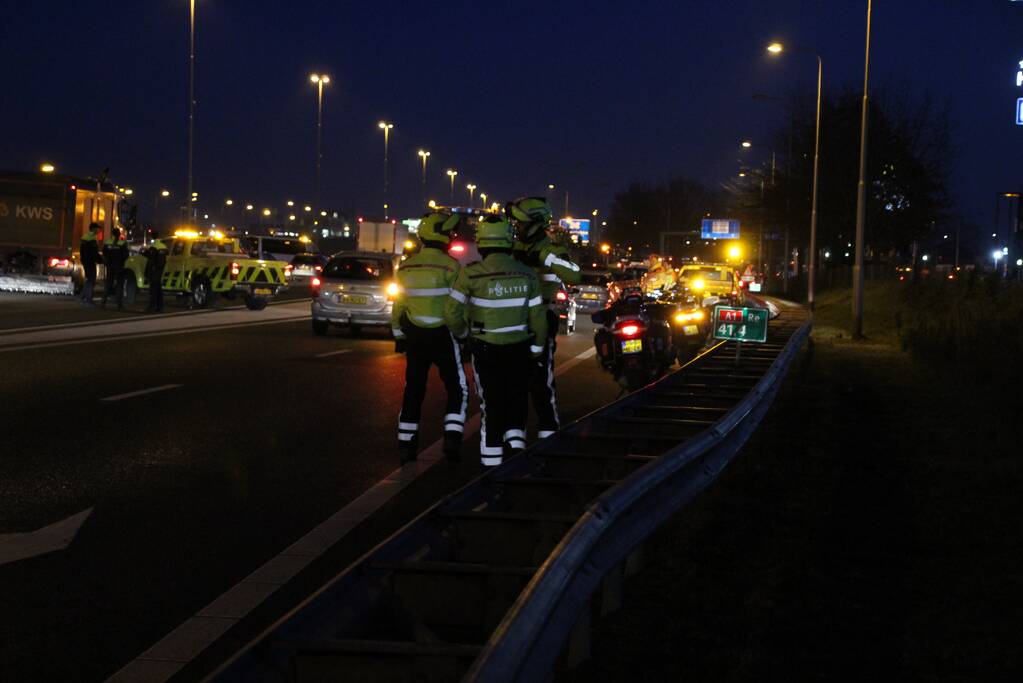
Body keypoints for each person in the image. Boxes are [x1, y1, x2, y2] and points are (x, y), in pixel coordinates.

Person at [445, 215, 547, 467]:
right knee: (516, 401)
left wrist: (463, 335)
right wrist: (535, 349)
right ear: (509, 240)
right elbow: (539, 320)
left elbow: (451, 313)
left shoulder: (471, 275)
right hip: (519, 349)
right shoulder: (527, 275)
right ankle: (515, 459)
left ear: (481, 242)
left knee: (492, 405)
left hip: (485, 349)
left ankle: (491, 469)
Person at [391, 212, 466, 464]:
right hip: (444, 334)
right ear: (441, 235)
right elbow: (456, 308)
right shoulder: (452, 267)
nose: (451, 236)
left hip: (415, 335)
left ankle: (406, 444)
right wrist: (462, 334)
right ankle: (452, 439)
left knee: (413, 388)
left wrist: (399, 333)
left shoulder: (407, 266)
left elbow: (399, 304)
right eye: (449, 232)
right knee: (457, 388)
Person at [507, 197, 582, 439]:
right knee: (513, 385)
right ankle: (514, 442)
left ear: (535, 223)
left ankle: (548, 441)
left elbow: (575, 275)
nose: (515, 226)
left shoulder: (552, 250)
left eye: (519, 222)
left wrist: (543, 256)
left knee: (540, 385)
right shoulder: (514, 248)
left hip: (541, 320)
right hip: (514, 320)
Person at [101, 228, 128, 309]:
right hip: (119, 266)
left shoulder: (107, 242)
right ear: (119, 234)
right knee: (119, 284)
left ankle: (103, 302)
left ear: (112, 234)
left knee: (109, 283)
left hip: (109, 266)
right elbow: (125, 255)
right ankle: (119, 304)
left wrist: (106, 262)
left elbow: (104, 254)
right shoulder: (122, 243)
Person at [78, 222, 101, 306]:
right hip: (90, 261)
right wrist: (101, 260)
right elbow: (94, 252)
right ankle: (88, 300)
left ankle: (81, 297)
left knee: (89, 279)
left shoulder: (85, 237)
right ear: (94, 228)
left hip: (85, 260)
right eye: (98, 228)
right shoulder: (92, 238)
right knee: (91, 280)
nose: (99, 230)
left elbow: (83, 251)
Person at [144, 239, 168, 313]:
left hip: (154, 270)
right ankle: (160, 306)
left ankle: (152, 306)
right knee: (158, 288)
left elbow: (151, 258)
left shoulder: (153, 246)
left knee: (153, 289)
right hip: (161, 270)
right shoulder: (164, 247)